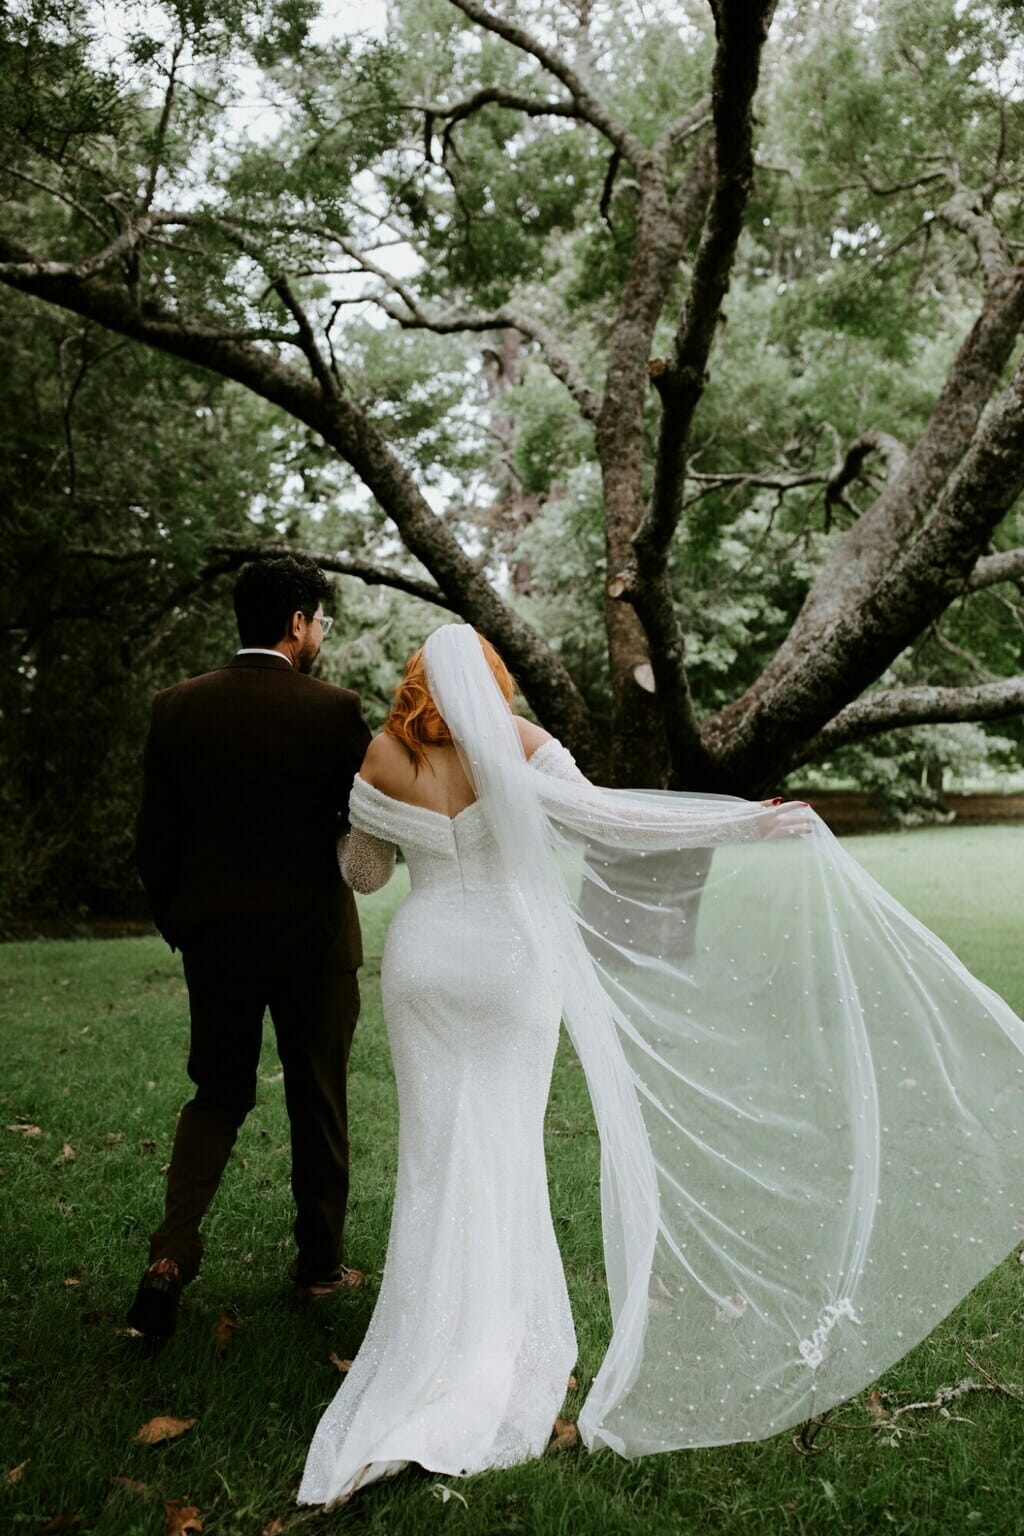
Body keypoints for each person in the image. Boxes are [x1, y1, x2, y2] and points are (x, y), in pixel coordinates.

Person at [299, 623, 1024, 1506]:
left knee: (437, 1150)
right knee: (506, 1145)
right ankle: (489, 1334)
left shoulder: (381, 756)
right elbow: (616, 820)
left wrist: (340, 830)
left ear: (414, 681)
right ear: (491, 681)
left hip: (425, 964)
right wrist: (745, 822)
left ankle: (427, 1335)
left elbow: (365, 876)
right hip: (512, 967)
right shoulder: (519, 747)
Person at [130, 554, 372, 1338]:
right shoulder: (336, 712)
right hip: (315, 945)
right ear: (297, 623)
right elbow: (362, 832)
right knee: (318, 1097)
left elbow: (153, 842)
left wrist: (184, 924)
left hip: (217, 944)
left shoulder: (177, 708)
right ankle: (318, 1267)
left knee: (218, 1092)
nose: (321, 635)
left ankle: (170, 1254)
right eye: (320, 622)